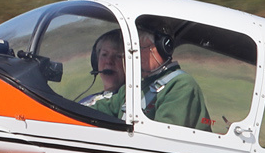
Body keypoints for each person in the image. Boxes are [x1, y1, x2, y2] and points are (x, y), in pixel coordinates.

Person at [83, 24, 212, 131]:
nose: (133, 56)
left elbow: (163, 137)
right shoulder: (135, 88)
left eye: (139, 48)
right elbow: (100, 109)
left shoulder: (181, 85)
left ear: (160, 49)